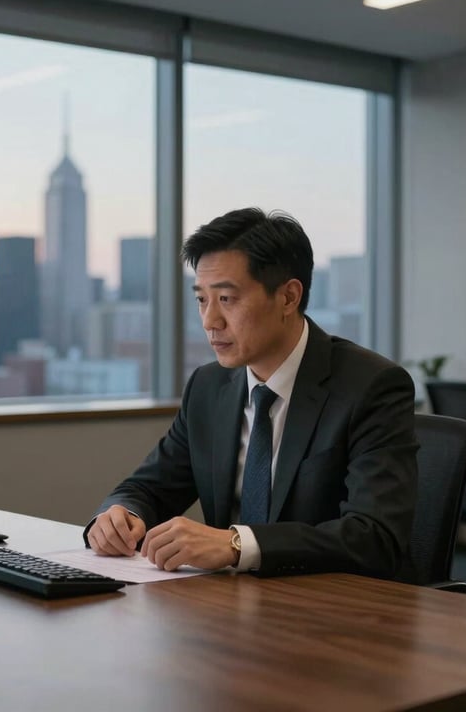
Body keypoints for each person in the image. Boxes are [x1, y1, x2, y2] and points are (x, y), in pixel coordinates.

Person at [86, 207, 418, 578]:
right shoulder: (208, 387)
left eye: (227, 299)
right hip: (226, 610)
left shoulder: (371, 386)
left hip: (330, 612)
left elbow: (375, 537)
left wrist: (235, 544)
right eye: (201, 300)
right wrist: (120, 515)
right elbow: (149, 488)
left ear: (289, 297)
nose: (210, 321)